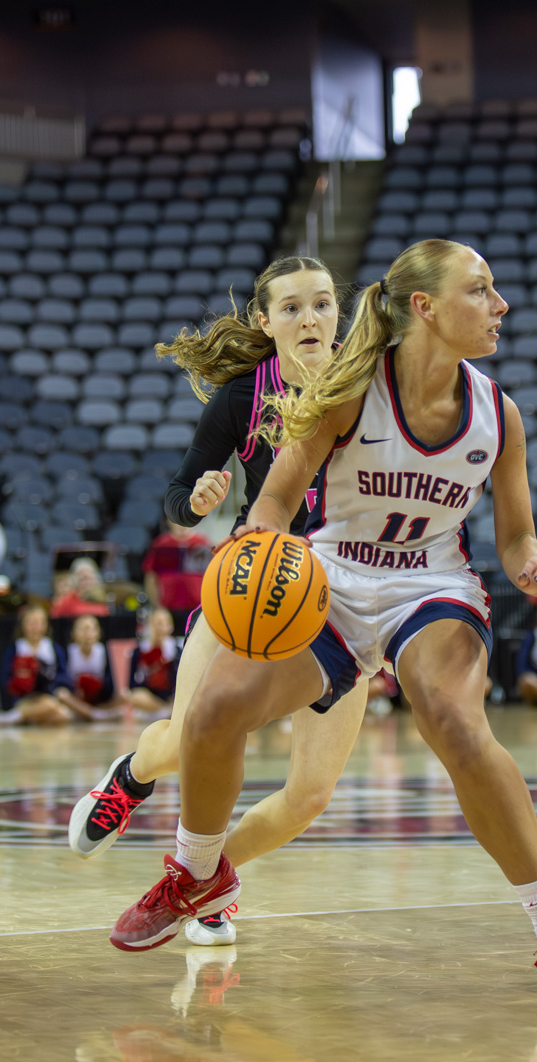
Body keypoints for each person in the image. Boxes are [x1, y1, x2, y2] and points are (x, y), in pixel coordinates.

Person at [106, 239, 537, 992]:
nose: (499, 305)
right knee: (215, 708)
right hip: (332, 579)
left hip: (430, 588)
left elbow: (514, 536)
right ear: (425, 307)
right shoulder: (349, 389)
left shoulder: (498, 414)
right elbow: (277, 493)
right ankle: (193, 872)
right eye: (481, 290)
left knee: (453, 720)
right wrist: (259, 538)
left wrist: (531, 564)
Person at [67, 256, 372, 949]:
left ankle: (208, 880)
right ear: (266, 322)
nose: (311, 319)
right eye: (291, 308)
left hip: (347, 601)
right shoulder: (242, 397)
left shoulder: (372, 387)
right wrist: (198, 497)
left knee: (311, 795)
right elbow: (177, 496)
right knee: (188, 740)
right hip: (254, 586)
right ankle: (130, 776)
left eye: (323, 304)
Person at [0, 605, 71, 726]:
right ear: (23, 625)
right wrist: (21, 683)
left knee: (60, 715)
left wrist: (49, 683)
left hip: (47, 696)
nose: (35, 628)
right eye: (31, 623)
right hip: (24, 699)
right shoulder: (15, 649)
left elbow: (64, 677)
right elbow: (5, 679)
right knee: (56, 710)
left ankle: (17, 718)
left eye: (39, 623)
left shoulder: (53, 648)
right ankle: (19, 716)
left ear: (46, 625)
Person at [142, 521, 211, 631]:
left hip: (197, 608)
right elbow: (151, 578)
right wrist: (157, 606)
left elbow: (211, 577)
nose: (181, 523)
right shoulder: (160, 544)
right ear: (169, 521)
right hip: (168, 609)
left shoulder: (202, 543)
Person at [57, 614, 116, 720]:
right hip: (76, 697)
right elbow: (62, 679)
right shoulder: (68, 651)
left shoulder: (102, 651)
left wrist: (97, 686)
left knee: (123, 695)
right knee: (61, 694)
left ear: (98, 633)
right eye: (83, 629)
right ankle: (94, 715)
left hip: (98, 698)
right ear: (74, 634)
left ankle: (87, 712)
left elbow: (110, 683)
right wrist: (76, 686)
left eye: (92, 629)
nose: (87, 634)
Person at [127, 607, 182, 719]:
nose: (161, 628)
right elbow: (131, 683)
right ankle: (164, 711)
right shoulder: (140, 650)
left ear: (171, 626)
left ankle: (165, 711)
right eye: (157, 623)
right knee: (133, 697)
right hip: (150, 697)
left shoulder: (176, 650)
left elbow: (182, 679)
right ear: (150, 626)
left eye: (165, 623)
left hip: (172, 696)